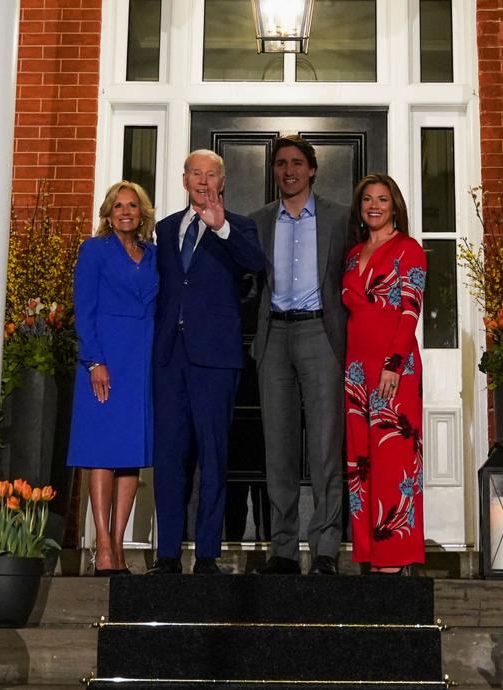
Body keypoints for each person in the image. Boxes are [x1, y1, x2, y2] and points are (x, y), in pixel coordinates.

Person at [150, 149, 267, 574]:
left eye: (211, 175)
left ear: (223, 182)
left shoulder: (241, 228)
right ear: (184, 180)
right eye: (195, 174)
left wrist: (221, 229)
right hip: (168, 358)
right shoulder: (163, 230)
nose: (203, 181)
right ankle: (166, 555)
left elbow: (255, 263)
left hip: (215, 360)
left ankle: (207, 555)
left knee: (214, 456)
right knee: (169, 457)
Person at [251, 136, 350, 575]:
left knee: (327, 444)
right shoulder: (257, 222)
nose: (287, 170)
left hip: (320, 334)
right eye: (280, 164)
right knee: (279, 447)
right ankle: (284, 549)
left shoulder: (339, 219)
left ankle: (326, 547)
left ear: (312, 169)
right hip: (273, 336)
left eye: (296, 163)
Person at [66, 180, 160, 576]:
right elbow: (83, 309)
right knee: (101, 452)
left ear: (142, 214)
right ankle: (102, 543)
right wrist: (93, 360)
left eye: (132, 206)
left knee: (130, 455)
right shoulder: (94, 250)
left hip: (143, 359)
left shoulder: (155, 255)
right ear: (108, 212)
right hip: (104, 360)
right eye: (118, 206)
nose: (125, 212)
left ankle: (119, 544)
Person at [341, 174, 425, 574]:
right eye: (368, 199)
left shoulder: (409, 250)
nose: (374, 206)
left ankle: (393, 559)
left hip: (395, 368)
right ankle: (369, 554)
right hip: (356, 370)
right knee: (361, 463)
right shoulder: (352, 253)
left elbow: (411, 310)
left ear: (395, 207)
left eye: (383, 199)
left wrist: (393, 364)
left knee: (393, 461)